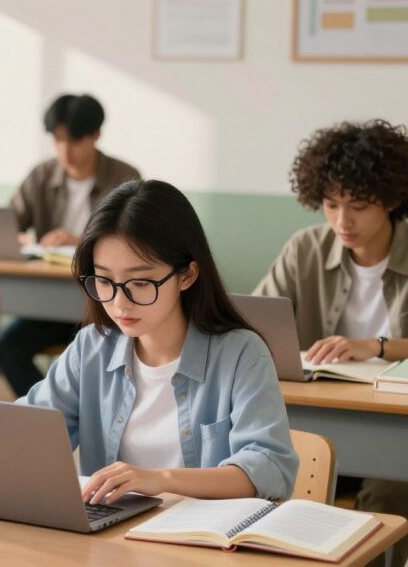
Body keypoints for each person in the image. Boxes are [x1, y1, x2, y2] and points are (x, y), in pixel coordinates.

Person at [21, 179, 298, 504]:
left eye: (140, 282)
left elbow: (270, 470)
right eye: (104, 280)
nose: (119, 304)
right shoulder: (91, 348)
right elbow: (28, 432)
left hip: (203, 543)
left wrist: (157, 480)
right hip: (111, 539)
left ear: (187, 275)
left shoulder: (241, 354)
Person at [255, 119, 408, 567]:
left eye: (359, 205)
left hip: (395, 429)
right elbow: (250, 322)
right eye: (331, 204)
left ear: (393, 198)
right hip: (317, 414)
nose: (343, 220)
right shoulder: (305, 248)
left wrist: (376, 347)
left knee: (388, 494)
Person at [0, 94, 141, 397]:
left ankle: (82, 413)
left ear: (95, 135)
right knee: (7, 348)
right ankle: (49, 417)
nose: (65, 151)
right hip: (47, 303)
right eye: (57, 140)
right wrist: (28, 240)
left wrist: (80, 241)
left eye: (74, 140)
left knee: (103, 354)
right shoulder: (41, 175)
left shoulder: (125, 177)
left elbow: (137, 242)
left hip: (103, 307)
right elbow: (8, 224)